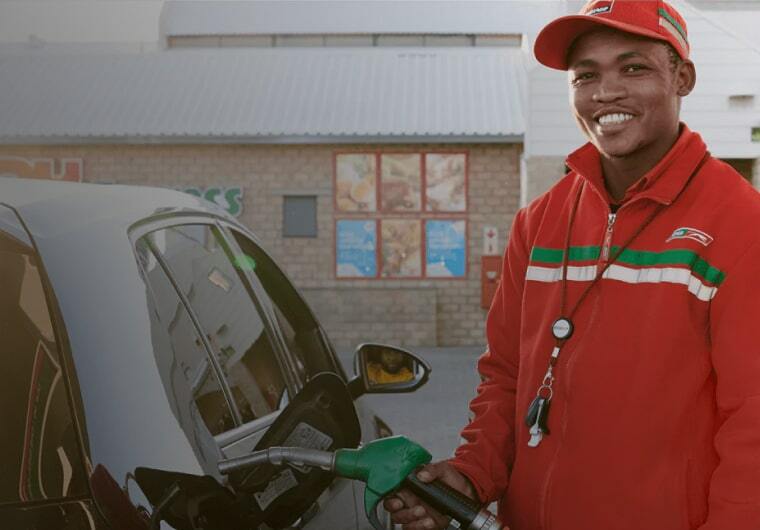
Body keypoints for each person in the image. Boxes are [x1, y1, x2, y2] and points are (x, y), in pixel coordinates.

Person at [385, 2, 760, 529]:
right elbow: (506, 380)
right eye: (586, 75)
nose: (605, 92)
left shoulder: (743, 225)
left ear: (683, 77)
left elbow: (753, 420)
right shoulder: (538, 223)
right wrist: (471, 475)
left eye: (633, 67)